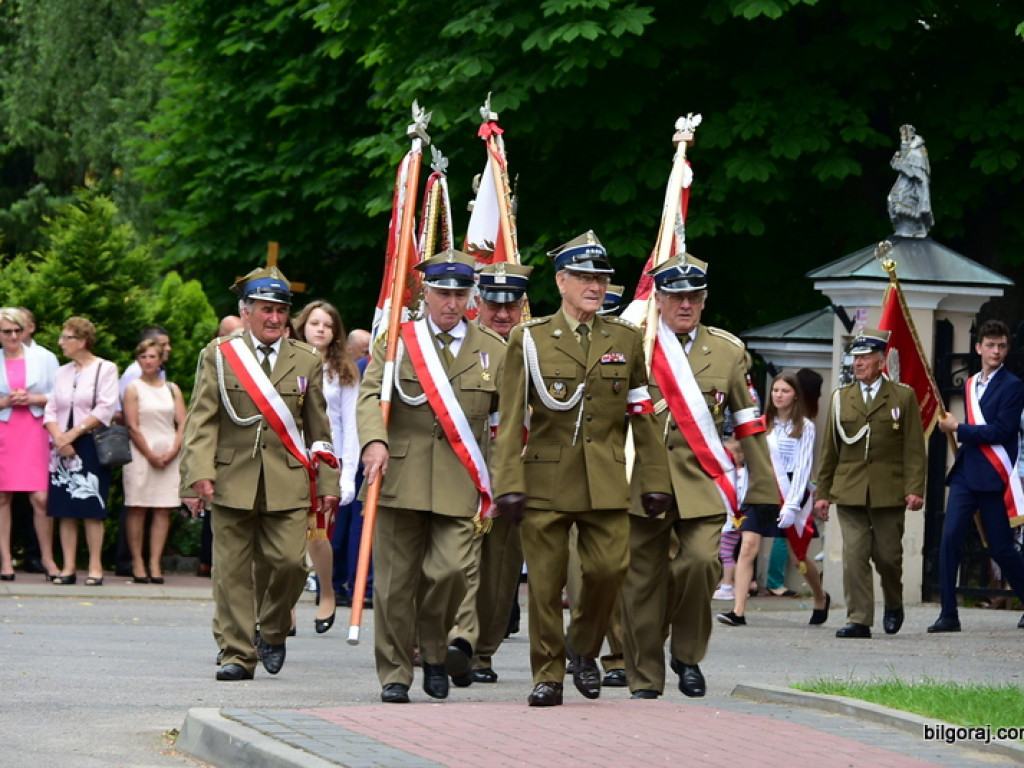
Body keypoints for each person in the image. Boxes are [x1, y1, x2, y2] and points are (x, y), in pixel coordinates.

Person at [492, 230, 671, 707]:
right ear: (562, 281)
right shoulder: (528, 340)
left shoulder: (626, 339)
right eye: (586, 277)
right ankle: (547, 676)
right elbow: (510, 422)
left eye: (602, 278)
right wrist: (507, 484)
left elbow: (643, 413)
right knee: (546, 586)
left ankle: (583, 648)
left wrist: (655, 480)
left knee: (611, 570)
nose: (596, 285)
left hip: (607, 480)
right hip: (545, 480)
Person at [620, 253, 776, 700]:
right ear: (659, 299)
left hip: (700, 482)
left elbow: (747, 423)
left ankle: (687, 655)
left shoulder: (727, 352)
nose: (684, 305)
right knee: (641, 583)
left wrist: (763, 489)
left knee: (701, 565)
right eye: (675, 296)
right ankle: (645, 677)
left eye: (693, 296)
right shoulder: (637, 346)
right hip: (641, 483)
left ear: (704, 301)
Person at [358, 249, 506, 704]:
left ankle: (437, 651)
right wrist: (374, 441)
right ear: (426, 292)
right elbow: (369, 398)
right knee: (395, 586)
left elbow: (504, 422)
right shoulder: (397, 341)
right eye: (443, 292)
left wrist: (499, 480)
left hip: (461, 480)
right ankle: (396, 674)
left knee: (451, 574)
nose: (451, 302)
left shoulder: (493, 350)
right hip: (400, 475)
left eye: (460, 294)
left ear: (471, 297)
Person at [181, 265, 339, 681]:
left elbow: (320, 430)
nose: (274, 318)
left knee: (290, 564)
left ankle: (271, 628)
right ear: (245, 311)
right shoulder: (219, 354)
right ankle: (236, 653)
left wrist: (328, 483)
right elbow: (202, 420)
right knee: (230, 571)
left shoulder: (306, 359)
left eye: (281, 310)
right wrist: (196, 475)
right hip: (232, 477)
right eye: (266, 309)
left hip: (287, 479)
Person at [813, 329, 926, 639]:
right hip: (849, 490)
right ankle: (859, 619)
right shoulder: (840, 398)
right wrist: (823, 494)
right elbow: (830, 450)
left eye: (864, 357)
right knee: (855, 555)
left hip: (889, 490)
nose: (858, 363)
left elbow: (914, 448)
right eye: (856, 357)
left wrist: (915, 488)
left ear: (880, 361)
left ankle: (893, 602)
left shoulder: (902, 396)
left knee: (889, 556)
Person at [451, 261, 532, 685]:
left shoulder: (537, 346)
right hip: (462, 473)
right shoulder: (460, 346)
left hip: (517, 478)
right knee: (456, 568)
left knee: (500, 578)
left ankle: (481, 653)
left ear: (523, 306)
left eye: (511, 305)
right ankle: (450, 642)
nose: (502, 314)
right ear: (478, 303)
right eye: (494, 305)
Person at [928, 319, 1024, 633]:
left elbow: (1002, 430)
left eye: (1001, 345)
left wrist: (958, 428)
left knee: (1001, 549)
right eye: (990, 345)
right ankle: (948, 614)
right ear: (978, 348)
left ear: (1006, 349)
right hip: (967, 475)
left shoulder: (1013, 385)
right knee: (950, 538)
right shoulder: (969, 384)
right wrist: (960, 429)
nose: (995, 351)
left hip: (995, 477)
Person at [717, 371, 828, 627]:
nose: (779, 395)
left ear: (795, 395)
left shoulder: (806, 426)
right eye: (775, 390)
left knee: (797, 557)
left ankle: (820, 596)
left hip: (791, 491)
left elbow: (803, 467)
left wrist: (792, 504)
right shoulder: (760, 423)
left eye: (785, 391)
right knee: (748, 547)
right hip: (761, 490)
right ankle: (739, 610)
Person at [292, 299, 360, 633]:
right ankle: (285, 605)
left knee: (318, 536)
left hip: (326, 463)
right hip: (290, 459)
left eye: (328, 325)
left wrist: (347, 476)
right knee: (285, 537)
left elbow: (351, 426)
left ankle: (327, 592)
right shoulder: (286, 362)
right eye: (315, 322)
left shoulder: (343, 370)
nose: (320, 329)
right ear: (302, 325)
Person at [44, 317, 119, 586]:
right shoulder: (61, 372)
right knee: (64, 507)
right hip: (61, 444)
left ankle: (96, 567)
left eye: (67, 338)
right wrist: (59, 437)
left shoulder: (105, 368)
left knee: (91, 507)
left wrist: (72, 435)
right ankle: (68, 567)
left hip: (89, 442)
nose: (61, 343)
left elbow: (105, 407)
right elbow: (51, 407)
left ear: (83, 341)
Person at [0, 308, 59, 580]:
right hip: (4, 430)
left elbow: (60, 396)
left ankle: (48, 559)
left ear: (25, 330)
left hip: (34, 430)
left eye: (17, 330)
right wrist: (6, 401)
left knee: (41, 497)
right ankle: (6, 562)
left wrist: (33, 399)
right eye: (6, 332)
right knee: (2, 497)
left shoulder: (45, 358)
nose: (13, 336)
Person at [122, 338, 186, 584]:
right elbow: (132, 425)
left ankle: (155, 562)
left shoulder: (172, 388)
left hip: (168, 451)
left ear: (160, 360)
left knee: (162, 509)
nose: (147, 361)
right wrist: (149, 454)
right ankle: (137, 561)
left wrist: (172, 451)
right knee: (138, 507)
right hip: (141, 452)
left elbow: (182, 421)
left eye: (151, 357)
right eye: (142, 357)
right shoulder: (133, 388)